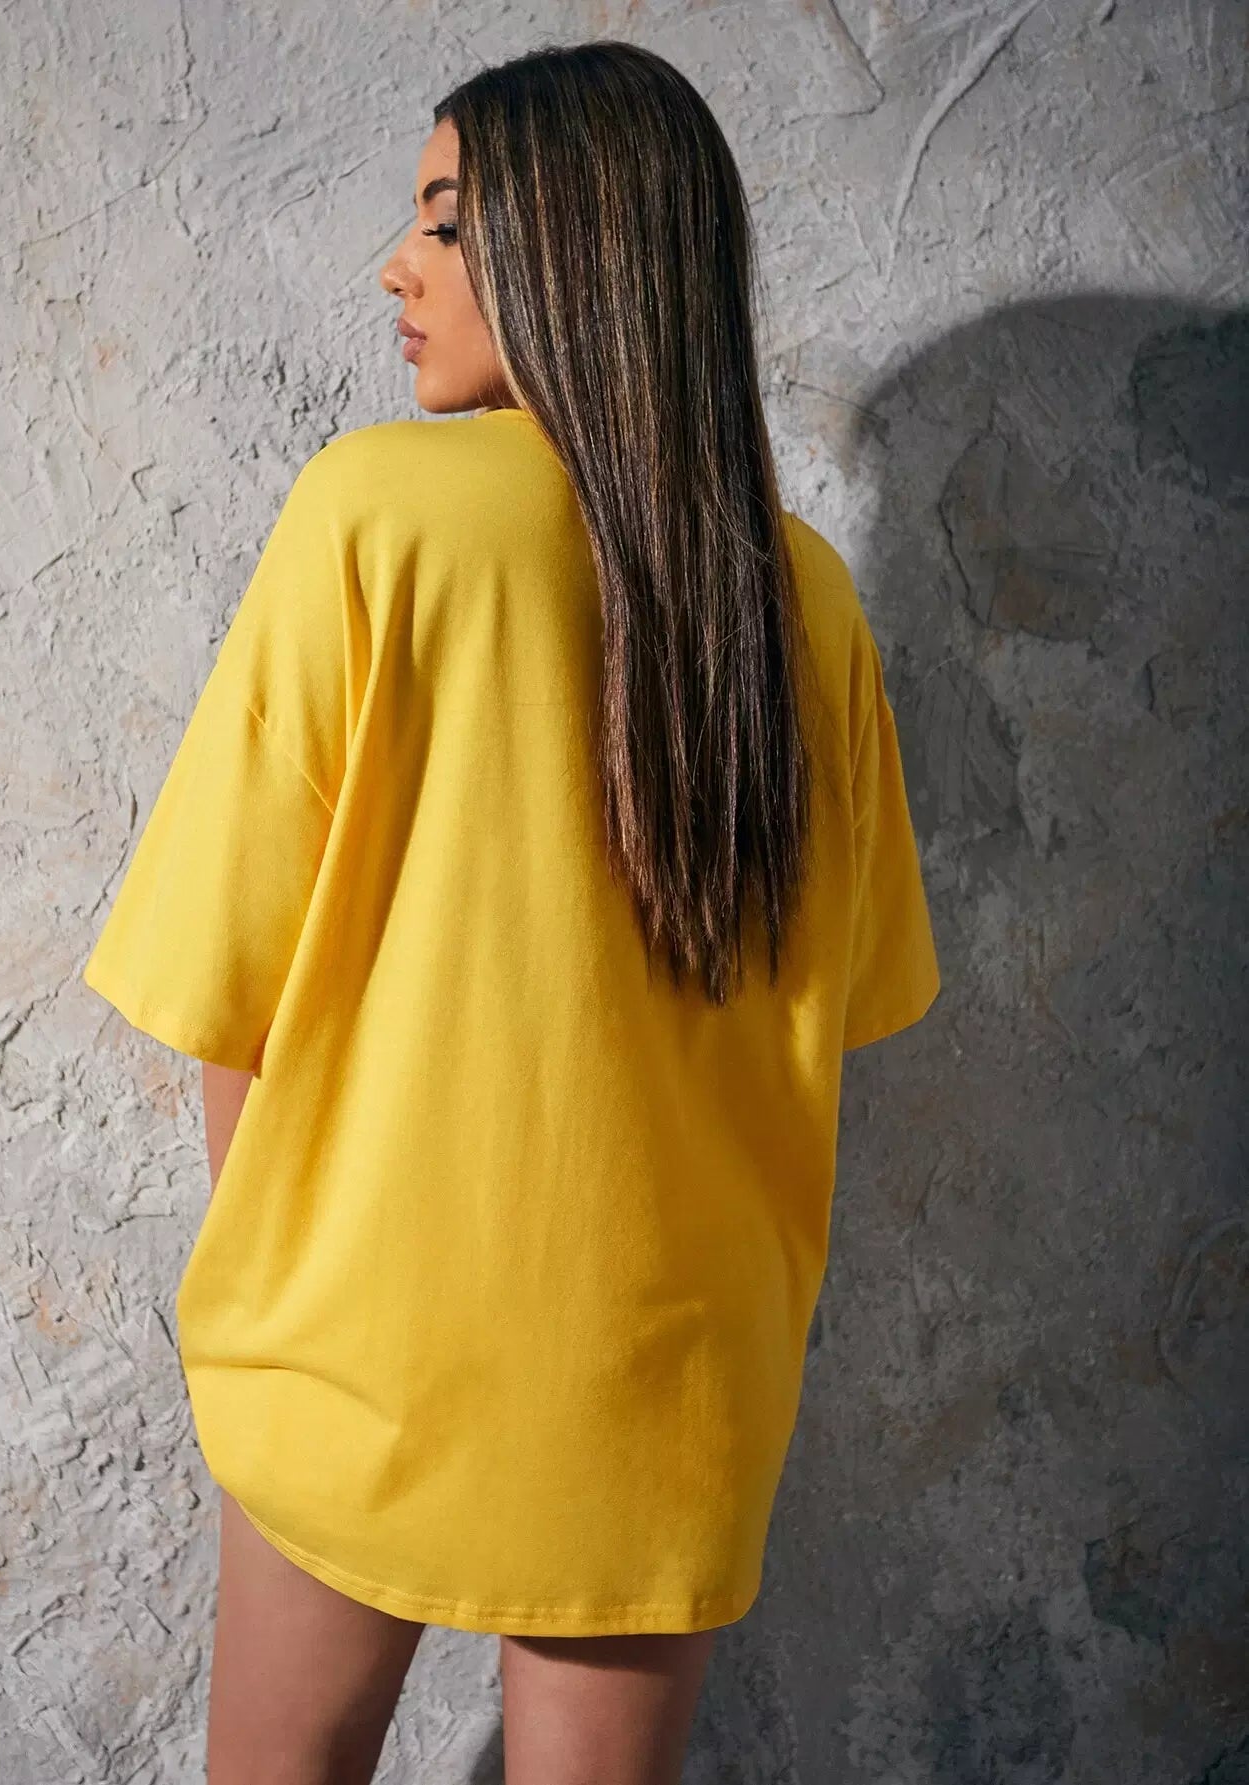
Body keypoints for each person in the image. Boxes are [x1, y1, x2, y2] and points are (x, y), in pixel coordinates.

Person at [81, 38, 941, 1785]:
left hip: (368, 1351)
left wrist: (292, 1283)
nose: (397, 265)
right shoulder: (803, 600)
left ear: (580, 245)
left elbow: (230, 985)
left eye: (445, 220)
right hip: (667, 1376)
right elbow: (833, 1012)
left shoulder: (374, 515)